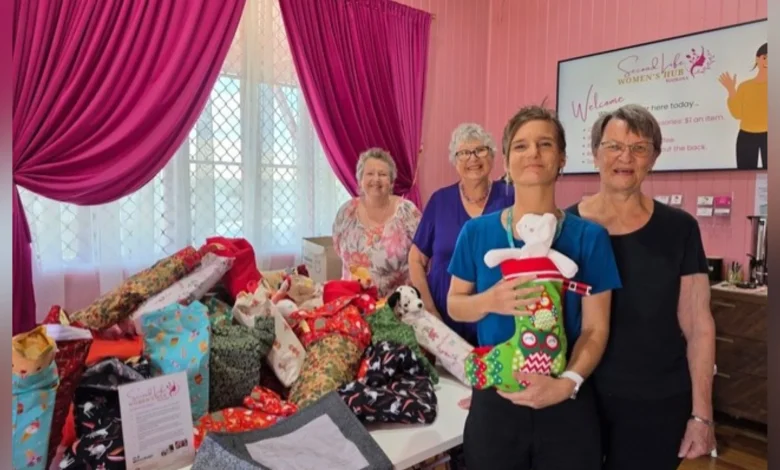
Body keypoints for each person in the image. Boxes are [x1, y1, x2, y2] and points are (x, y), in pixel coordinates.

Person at [447, 105, 621, 470]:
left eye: (545, 144)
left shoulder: (590, 238)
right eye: (521, 146)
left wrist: (568, 382)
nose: (534, 154)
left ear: (561, 159)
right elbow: (455, 304)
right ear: (507, 162)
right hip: (497, 401)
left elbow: (595, 327)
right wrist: (490, 300)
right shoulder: (477, 233)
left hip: (566, 399)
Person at [567, 104, 716, 470]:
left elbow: (698, 325)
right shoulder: (565, 227)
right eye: (614, 146)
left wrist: (702, 415)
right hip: (579, 396)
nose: (625, 157)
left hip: (658, 402)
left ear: (653, 158)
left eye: (639, 147)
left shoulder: (680, 229)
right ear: (595, 153)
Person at [409, 123, 514, 346]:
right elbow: (416, 259)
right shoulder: (440, 201)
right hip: (444, 318)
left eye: (481, 150)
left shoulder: (510, 197)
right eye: (464, 153)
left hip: (498, 321)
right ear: (455, 162)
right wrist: (429, 311)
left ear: (493, 155)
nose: (473, 159)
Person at [332, 147, 421, 298]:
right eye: (370, 174)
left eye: (383, 174)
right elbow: (338, 248)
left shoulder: (408, 212)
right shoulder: (346, 212)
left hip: (396, 306)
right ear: (360, 180)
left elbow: (422, 258)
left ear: (392, 182)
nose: (376, 179)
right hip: (351, 304)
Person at [718, 42, 767, 169]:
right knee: (745, 172)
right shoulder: (745, 86)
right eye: (765, 57)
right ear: (757, 59)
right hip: (746, 135)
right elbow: (737, 114)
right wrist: (731, 90)